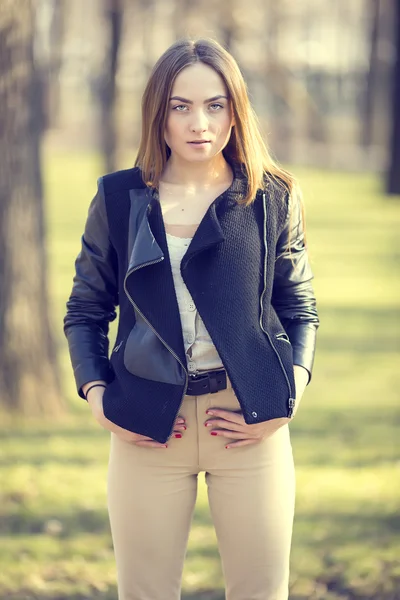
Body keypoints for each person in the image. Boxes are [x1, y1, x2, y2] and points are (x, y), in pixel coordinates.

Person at [64, 37, 319, 600]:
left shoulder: (273, 197)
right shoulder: (118, 198)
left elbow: (298, 307)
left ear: (236, 111)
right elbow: (86, 308)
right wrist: (98, 396)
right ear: (159, 114)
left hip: (249, 425)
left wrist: (288, 399)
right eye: (180, 106)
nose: (199, 122)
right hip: (147, 427)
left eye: (215, 104)